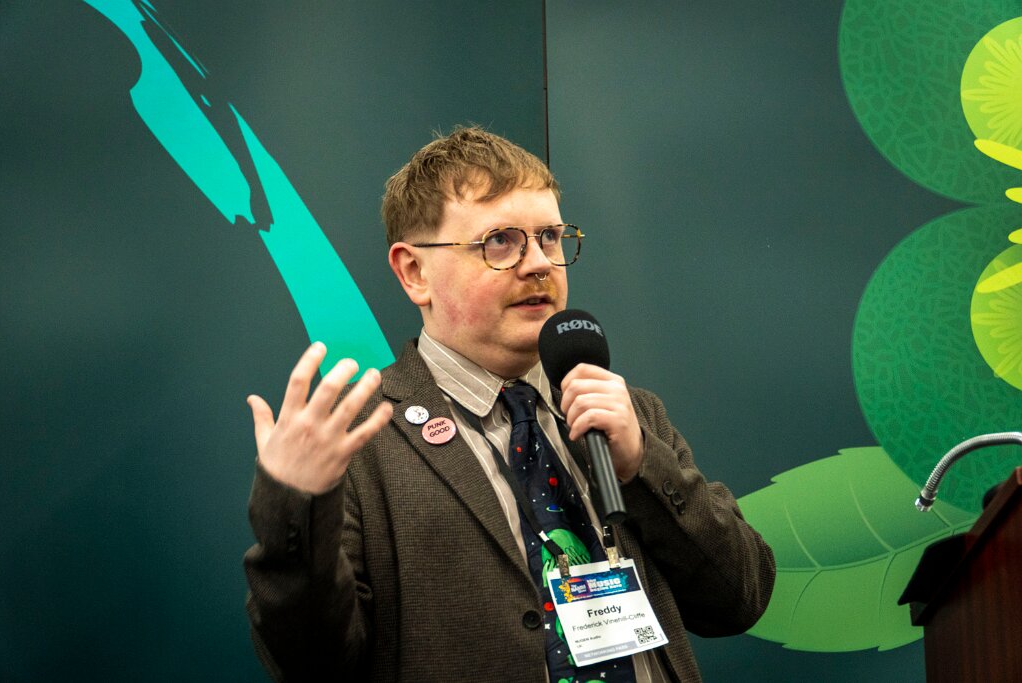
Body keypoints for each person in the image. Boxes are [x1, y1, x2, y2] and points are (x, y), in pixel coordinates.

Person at [243, 126, 775, 682]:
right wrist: (295, 509)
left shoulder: (626, 414)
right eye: (500, 241)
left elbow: (739, 599)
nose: (539, 263)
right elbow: (314, 666)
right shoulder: (360, 439)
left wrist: (643, 464)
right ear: (414, 272)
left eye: (550, 238)